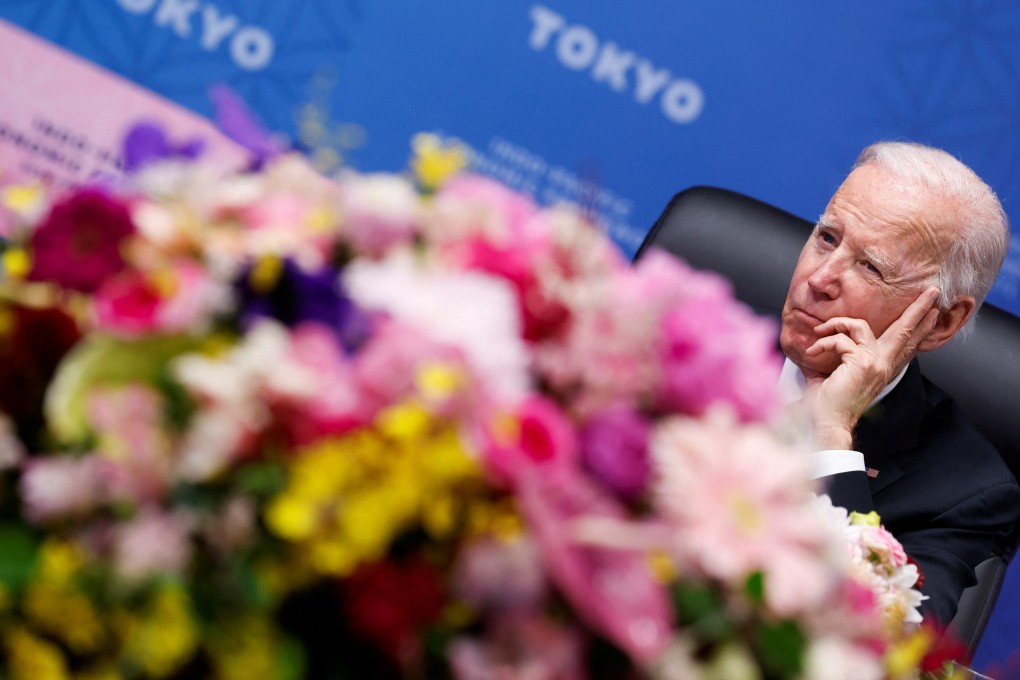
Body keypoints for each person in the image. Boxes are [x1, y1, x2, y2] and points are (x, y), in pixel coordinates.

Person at [776, 141, 1020, 626]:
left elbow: (884, 648)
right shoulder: (695, 339)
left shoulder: (965, 493)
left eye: (871, 267)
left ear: (941, 322)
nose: (820, 279)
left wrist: (832, 438)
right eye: (827, 238)